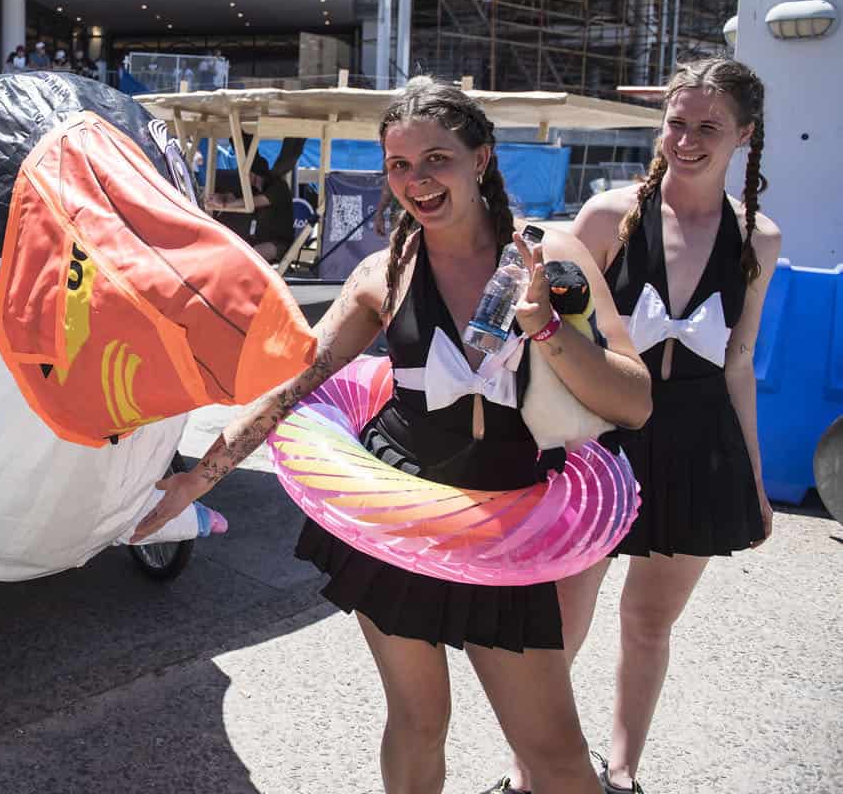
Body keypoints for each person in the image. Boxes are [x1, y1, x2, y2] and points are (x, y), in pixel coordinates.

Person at [133, 78, 652, 794]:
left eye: (436, 159)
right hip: (401, 517)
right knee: (417, 720)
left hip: (506, 515)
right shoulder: (386, 272)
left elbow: (635, 402)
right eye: (399, 166)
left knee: (555, 754)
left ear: (482, 159)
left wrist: (548, 328)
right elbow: (295, 384)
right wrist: (200, 476)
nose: (416, 181)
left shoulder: (547, 255)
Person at [488, 57, 780, 794]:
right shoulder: (606, 217)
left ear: (743, 135)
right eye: (676, 123)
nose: (685, 139)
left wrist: (753, 474)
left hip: (701, 444)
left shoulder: (760, 240)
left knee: (650, 622)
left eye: (708, 126)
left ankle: (622, 772)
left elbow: (739, 364)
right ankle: (530, 771)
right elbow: (553, 337)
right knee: (561, 618)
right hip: (607, 434)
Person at [207, 154, 294, 263]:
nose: (241, 176)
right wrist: (220, 198)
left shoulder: (278, 187)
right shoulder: (250, 189)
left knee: (253, 254)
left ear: (254, 173)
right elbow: (232, 197)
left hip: (279, 243)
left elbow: (251, 202)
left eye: (244, 172)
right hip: (256, 240)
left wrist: (224, 205)